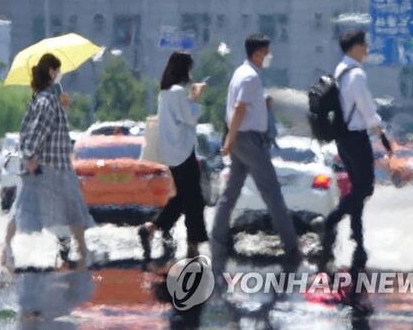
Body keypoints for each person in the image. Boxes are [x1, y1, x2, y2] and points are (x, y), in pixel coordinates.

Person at [211, 34, 301, 271]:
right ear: (258, 53)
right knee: (272, 193)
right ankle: (292, 248)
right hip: (248, 140)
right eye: (266, 52)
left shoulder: (242, 73)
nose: (269, 56)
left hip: (243, 138)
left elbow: (245, 107)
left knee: (230, 192)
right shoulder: (250, 76)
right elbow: (240, 109)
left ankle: (217, 242)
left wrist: (264, 106)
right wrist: (230, 140)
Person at [1, 53, 95, 270]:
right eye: (58, 69)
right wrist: (30, 156)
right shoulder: (47, 101)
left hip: (50, 166)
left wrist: (62, 108)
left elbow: (42, 130)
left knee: (23, 208)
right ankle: (82, 254)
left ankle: (7, 250)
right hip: (51, 168)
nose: (60, 74)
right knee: (71, 209)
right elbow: (37, 131)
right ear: (52, 71)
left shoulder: (44, 99)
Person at [318, 30, 392, 267]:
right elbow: (367, 109)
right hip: (356, 138)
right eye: (365, 45)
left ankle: (358, 238)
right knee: (365, 187)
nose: (367, 49)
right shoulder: (357, 74)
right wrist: (383, 135)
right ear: (357, 47)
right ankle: (331, 221)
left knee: (356, 187)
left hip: (343, 137)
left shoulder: (340, 70)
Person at [137, 51, 208, 261]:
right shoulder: (177, 92)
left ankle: (151, 228)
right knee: (194, 199)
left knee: (182, 197)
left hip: (171, 152)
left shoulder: (165, 92)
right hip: (183, 151)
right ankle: (193, 245)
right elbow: (190, 117)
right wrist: (196, 96)